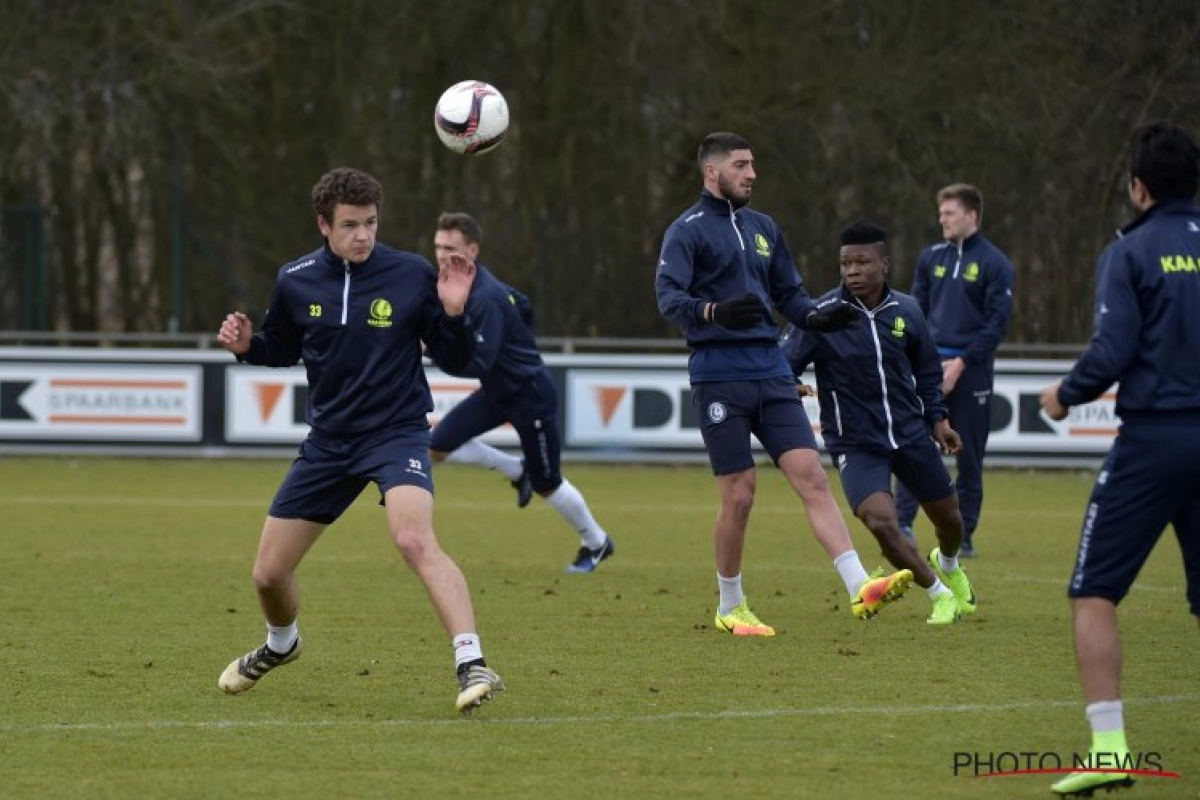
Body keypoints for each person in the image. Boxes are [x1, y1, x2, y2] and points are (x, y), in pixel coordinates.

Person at [214, 168, 504, 714]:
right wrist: (248, 345)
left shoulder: (412, 275)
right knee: (268, 574)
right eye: (350, 225)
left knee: (413, 539)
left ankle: (472, 661)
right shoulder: (296, 279)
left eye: (370, 223)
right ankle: (282, 644)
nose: (363, 235)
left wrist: (455, 311)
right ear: (323, 224)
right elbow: (281, 345)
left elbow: (462, 361)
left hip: (396, 433)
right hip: (328, 443)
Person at [655, 131, 914, 637]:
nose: (752, 173)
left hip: (772, 370)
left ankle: (861, 585)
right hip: (719, 375)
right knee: (740, 495)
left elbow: (792, 297)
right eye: (741, 165)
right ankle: (731, 605)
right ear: (712, 172)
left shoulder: (765, 228)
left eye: (753, 164)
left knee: (811, 477)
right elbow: (668, 299)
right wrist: (713, 311)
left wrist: (821, 317)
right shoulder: (685, 231)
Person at [1039, 122, 1200, 797]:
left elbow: (1111, 354)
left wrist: (1061, 396)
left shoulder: (1131, 252)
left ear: (1139, 188)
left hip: (1156, 442)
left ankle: (1109, 750)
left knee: (1094, 591)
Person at [781, 220, 977, 625]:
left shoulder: (907, 310)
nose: (852, 270)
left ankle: (950, 564)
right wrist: (791, 382)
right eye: (845, 263)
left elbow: (926, 369)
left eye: (862, 262)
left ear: (884, 264)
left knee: (950, 521)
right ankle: (939, 595)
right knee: (881, 522)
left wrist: (938, 419)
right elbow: (781, 362)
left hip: (910, 434)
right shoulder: (821, 317)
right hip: (856, 444)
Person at [427, 212, 615, 573]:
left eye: (450, 248)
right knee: (436, 445)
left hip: (530, 395)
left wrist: (431, 349)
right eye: (438, 246)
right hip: (498, 392)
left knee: (548, 484)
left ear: (473, 250)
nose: (441, 254)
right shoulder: (464, 285)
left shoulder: (486, 298)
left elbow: (477, 364)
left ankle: (597, 542)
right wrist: (519, 339)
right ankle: (517, 470)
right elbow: (523, 302)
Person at [894, 183, 1014, 557]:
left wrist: (961, 364)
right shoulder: (931, 258)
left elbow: (996, 326)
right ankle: (902, 525)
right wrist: (921, 361)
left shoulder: (996, 264)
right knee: (914, 445)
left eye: (949, 213)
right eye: (941, 212)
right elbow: (916, 312)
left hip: (972, 370)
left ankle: (963, 536)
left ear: (972, 216)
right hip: (930, 368)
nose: (941, 219)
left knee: (969, 456)